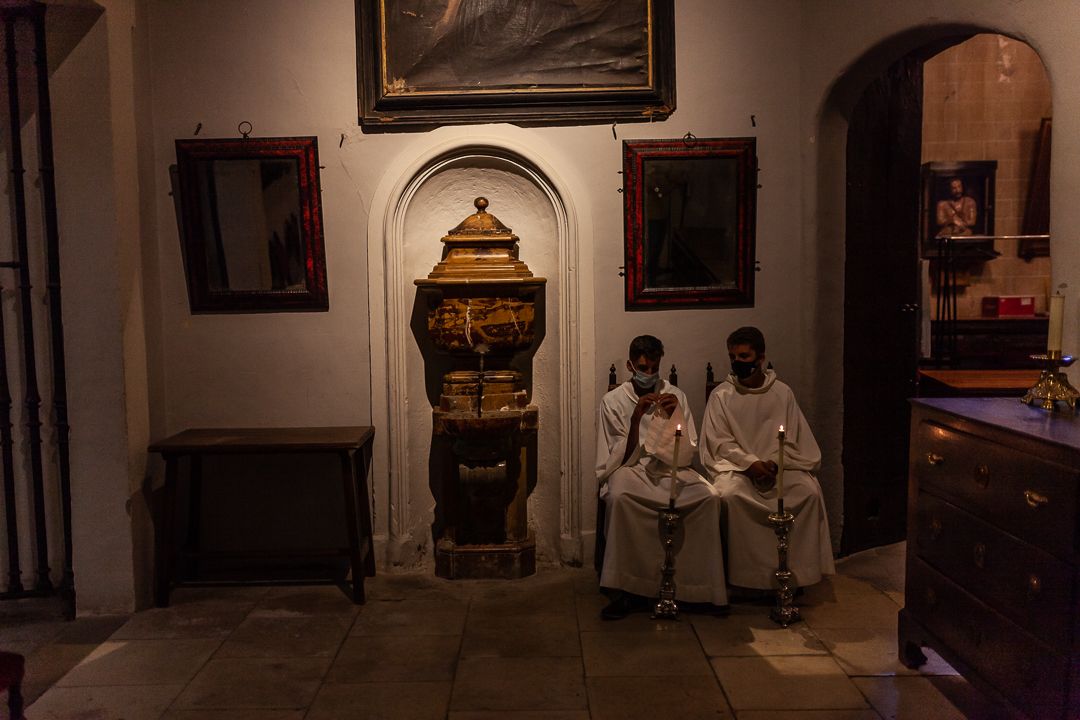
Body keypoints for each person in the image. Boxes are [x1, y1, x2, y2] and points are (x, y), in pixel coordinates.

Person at [596, 335, 727, 618]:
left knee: (709, 497)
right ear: (631, 365)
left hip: (670, 467)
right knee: (619, 498)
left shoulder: (675, 395)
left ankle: (698, 588)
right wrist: (636, 417)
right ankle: (626, 589)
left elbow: (686, 449)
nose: (648, 373)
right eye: (642, 367)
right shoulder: (613, 401)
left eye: (653, 367)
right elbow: (614, 457)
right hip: (633, 469)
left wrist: (675, 417)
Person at [699, 326, 834, 590]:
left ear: (760, 358)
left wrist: (772, 462)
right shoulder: (722, 396)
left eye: (744, 357)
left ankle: (797, 574)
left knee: (808, 493)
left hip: (781, 467)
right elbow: (720, 442)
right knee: (731, 497)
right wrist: (751, 464)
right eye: (733, 357)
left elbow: (794, 439)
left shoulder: (781, 393)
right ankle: (744, 578)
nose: (738, 363)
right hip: (738, 469)